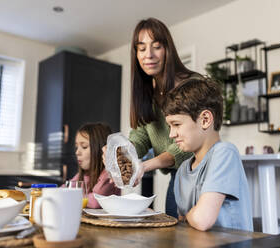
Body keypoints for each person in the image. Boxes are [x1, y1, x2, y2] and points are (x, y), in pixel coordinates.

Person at [128, 17, 202, 217]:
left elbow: (187, 144)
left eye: (157, 46)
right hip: (178, 176)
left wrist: (146, 165)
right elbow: (141, 134)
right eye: (141, 48)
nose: (148, 55)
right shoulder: (146, 93)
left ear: (168, 49)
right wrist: (123, 153)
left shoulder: (193, 85)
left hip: (201, 174)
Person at [162, 78, 253, 231]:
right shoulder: (183, 169)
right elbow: (184, 224)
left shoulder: (225, 153)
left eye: (176, 124)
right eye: (169, 126)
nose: (171, 134)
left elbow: (202, 220)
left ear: (205, 120)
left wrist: (191, 216)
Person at [71, 122, 120, 208]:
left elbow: (95, 201)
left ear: (100, 150)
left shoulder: (109, 175)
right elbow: (65, 189)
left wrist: (68, 196)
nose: (77, 152)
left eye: (84, 147)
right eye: (76, 147)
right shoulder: (83, 174)